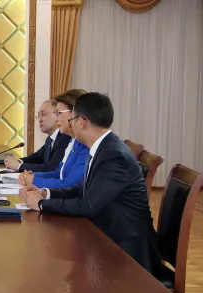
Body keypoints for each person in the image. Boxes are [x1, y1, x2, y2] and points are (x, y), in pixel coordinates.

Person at [21, 93, 161, 274]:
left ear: (82, 122)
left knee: (55, 262)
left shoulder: (114, 155)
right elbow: (82, 190)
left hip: (126, 250)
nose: (68, 123)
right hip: (108, 236)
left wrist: (41, 204)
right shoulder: (103, 147)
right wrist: (46, 193)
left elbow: (88, 205)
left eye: (71, 119)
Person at [19, 89, 89, 189]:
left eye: (59, 113)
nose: (56, 119)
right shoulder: (73, 142)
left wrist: (34, 180)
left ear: (74, 113)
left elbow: (69, 184)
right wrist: (33, 176)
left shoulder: (86, 146)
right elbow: (58, 173)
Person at [4, 100, 71, 172]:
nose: (39, 120)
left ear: (57, 114)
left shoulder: (65, 137)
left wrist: (19, 166)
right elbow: (37, 157)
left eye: (43, 114)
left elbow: (52, 168)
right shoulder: (50, 139)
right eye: (38, 115)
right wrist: (19, 161)